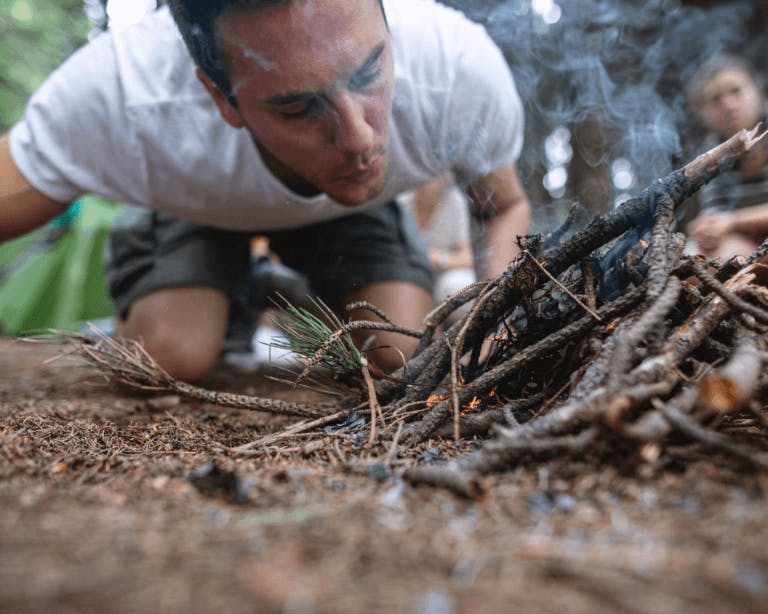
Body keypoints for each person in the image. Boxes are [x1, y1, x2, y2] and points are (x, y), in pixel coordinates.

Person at [0, 0, 531, 381]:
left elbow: (505, 205)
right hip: (196, 204)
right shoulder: (122, 95)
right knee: (168, 358)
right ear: (220, 97)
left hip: (350, 211)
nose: (360, 139)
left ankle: (271, 290)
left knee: (400, 354)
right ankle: (220, 298)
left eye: (369, 72)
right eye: (297, 106)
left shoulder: (457, 67)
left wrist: (496, 318)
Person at [685, 54, 768, 259]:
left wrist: (731, 221)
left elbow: (727, 220)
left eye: (736, 91)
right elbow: (717, 212)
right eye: (715, 99)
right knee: (692, 257)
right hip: (750, 246)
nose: (728, 104)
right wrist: (707, 227)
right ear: (703, 113)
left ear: (758, 93)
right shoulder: (712, 153)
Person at [398, 174, 476, 326]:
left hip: (441, 276)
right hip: (406, 273)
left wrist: (439, 259)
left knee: (460, 286)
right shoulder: (401, 202)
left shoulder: (454, 201)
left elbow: (468, 257)